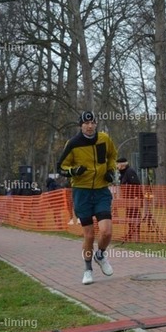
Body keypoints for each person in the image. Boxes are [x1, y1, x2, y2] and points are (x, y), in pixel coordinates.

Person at [57, 111, 118, 285]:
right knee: (89, 235)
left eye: (92, 123)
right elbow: (60, 166)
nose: (89, 126)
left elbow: (112, 156)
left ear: (96, 124)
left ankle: (100, 255)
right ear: (81, 125)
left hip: (101, 190)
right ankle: (88, 269)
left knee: (106, 231)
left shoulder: (104, 139)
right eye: (86, 123)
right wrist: (73, 171)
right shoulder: (73, 144)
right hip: (82, 192)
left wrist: (110, 170)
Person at [117, 157, 142, 241]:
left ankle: (136, 234)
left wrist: (136, 197)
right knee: (129, 216)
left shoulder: (130, 171)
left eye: (118, 164)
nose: (117, 166)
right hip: (128, 199)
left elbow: (136, 184)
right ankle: (131, 232)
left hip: (133, 199)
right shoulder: (123, 173)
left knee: (134, 215)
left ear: (122, 164)